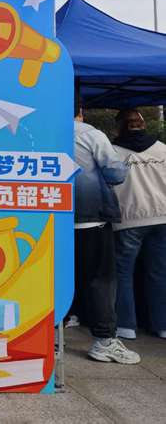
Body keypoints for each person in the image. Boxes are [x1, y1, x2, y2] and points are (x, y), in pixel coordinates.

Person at [73, 101, 140, 363]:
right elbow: (115, 174)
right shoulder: (90, 134)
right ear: (80, 112)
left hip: (48, 222)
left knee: (55, 278)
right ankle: (104, 341)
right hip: (90, 220)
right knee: (101, 280)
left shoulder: (37, 129)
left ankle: (51, 337)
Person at [111, 109, 166, 340]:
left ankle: (125, 325)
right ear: (143, 125)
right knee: (159, 272)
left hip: (129, 219)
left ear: (120, 127)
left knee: (123, 273)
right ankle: (162, 325)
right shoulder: (162, 149)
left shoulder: (113, 152)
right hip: (163, 218)